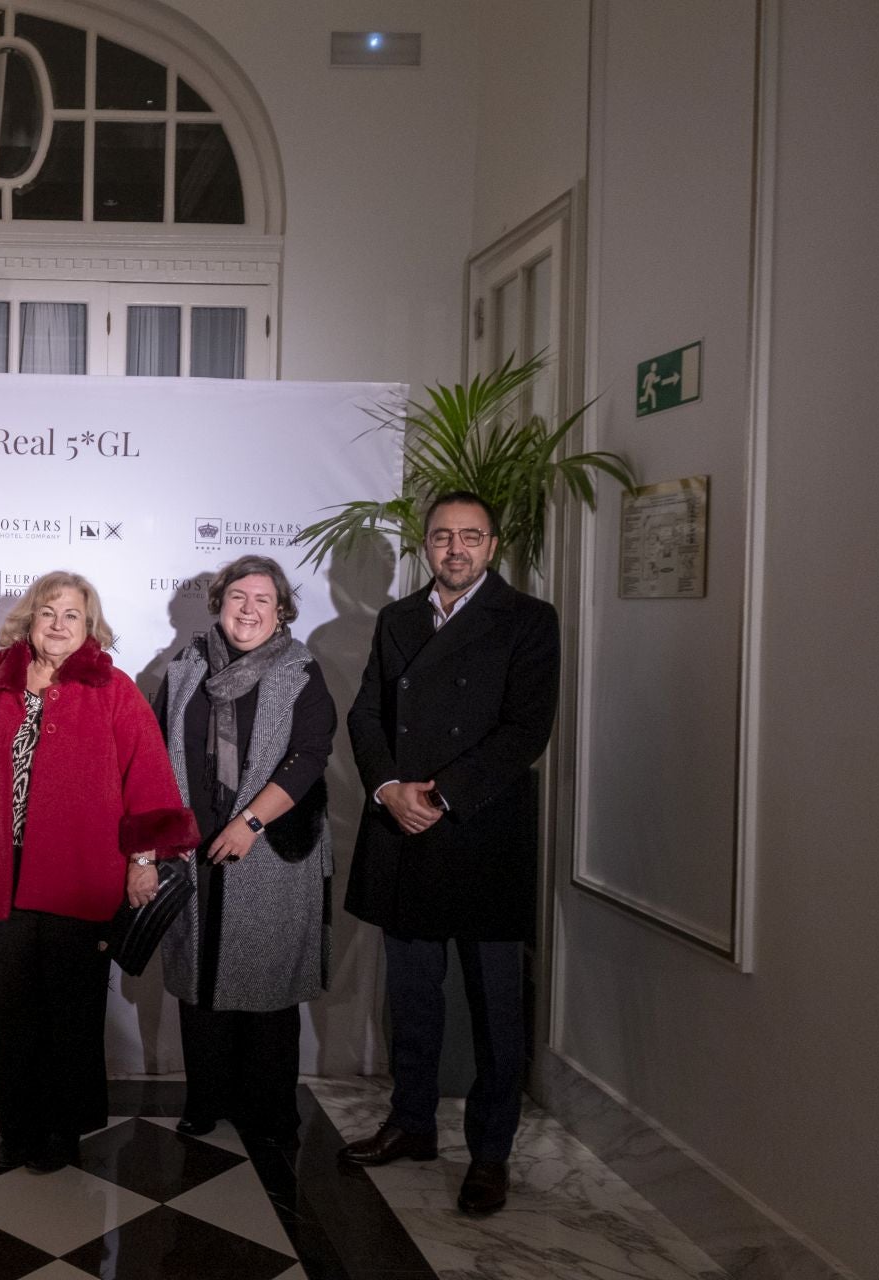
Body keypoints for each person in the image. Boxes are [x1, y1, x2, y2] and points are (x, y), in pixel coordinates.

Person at [0, 571, 198, 1173]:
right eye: (47, 612)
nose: (57, 624)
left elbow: (149, 777)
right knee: (12, 1011)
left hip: (81, 877)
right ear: (29, 619)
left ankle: (63, 1131)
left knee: (73, 1012)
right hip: (5, 876)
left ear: (89, 627)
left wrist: (145, 858)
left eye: (71, 615)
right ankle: (18, 1130)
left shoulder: (114, 689)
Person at [337, 490, 560, 1216]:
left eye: (471, 536)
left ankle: (491, 1155)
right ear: (424, 546)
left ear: (493, 546)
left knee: (497, 1007)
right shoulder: (398, 619)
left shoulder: (529, 620)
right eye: (441, 537)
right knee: (412, 996)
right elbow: (366, 711)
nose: (455, 549)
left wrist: (443, 794)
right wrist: (388, 788)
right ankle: (411, 1123)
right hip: (404, 830)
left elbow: (526, 730)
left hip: (481, 832)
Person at [156, 556, 337, 1146]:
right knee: (201, 974)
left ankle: (268, 1105)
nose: (249, 609)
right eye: (238, 596)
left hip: (271, 843)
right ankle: (205, 1099)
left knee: (266, 977)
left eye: (263, 599)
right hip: (196, 847)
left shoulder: (300, 668)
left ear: (281, 609)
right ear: (219, 603)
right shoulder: (185, 666)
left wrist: (250, 822)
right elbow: (158, 753)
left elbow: (311, 755)